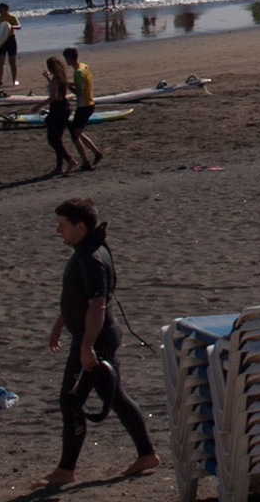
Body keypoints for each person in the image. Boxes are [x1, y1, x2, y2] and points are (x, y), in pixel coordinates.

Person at [42, 198, 160, 489]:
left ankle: (65, 470)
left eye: (63, 225)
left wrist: (86, 347)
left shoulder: (91, 257)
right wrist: (60, 324)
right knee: (115, 396)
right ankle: (147, 454)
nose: (58, 231)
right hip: (94, 336)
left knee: (70, 401)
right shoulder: (89, 249)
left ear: (80, 227)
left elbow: (97, 307)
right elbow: (76, 296)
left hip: (96, 339)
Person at [65, 47, 103, 169]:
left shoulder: (78, 72)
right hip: (89, 104)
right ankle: (97, 153)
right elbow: (81, 83)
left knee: (75, 136)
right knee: (78, 133)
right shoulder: (83, 66)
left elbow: (79, 92)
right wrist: (70, 83)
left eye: (66, 58)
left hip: (84, 106)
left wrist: (67, 86)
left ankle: (86, 162)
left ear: (69, 58)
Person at [43, 57, 76, 176]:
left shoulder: (56, 79)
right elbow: (58, 89)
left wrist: (38, 106)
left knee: (53, 139)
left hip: (57, 109)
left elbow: (54, 97)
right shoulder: (61, 77)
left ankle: (70, 160)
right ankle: (59, 167)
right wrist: (48, 78)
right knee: (57, 139)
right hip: (64, 108)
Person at [0, 2, 20, 90]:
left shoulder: (12, 17)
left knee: (12, 61)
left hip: (11, 40)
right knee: (0, 61)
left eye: (1, 10)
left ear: (6, 9)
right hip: (1, 41)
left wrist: (10, 27)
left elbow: (19, 26)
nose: (0, 12)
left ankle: (14, 79)